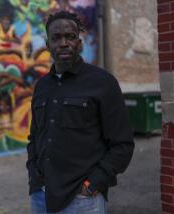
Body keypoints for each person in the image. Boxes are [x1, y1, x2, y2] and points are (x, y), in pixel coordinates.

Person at [26, 11, 135, 213]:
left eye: (70, 36)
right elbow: (35, 137)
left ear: (79, 41)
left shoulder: (103, 83)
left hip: (82, 200)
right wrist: (34, 177)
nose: (64, 43)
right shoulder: (42, 86)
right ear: (47, 44)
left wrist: (92, 184)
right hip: (41, 196)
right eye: (56, 38)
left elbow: (123, 144)